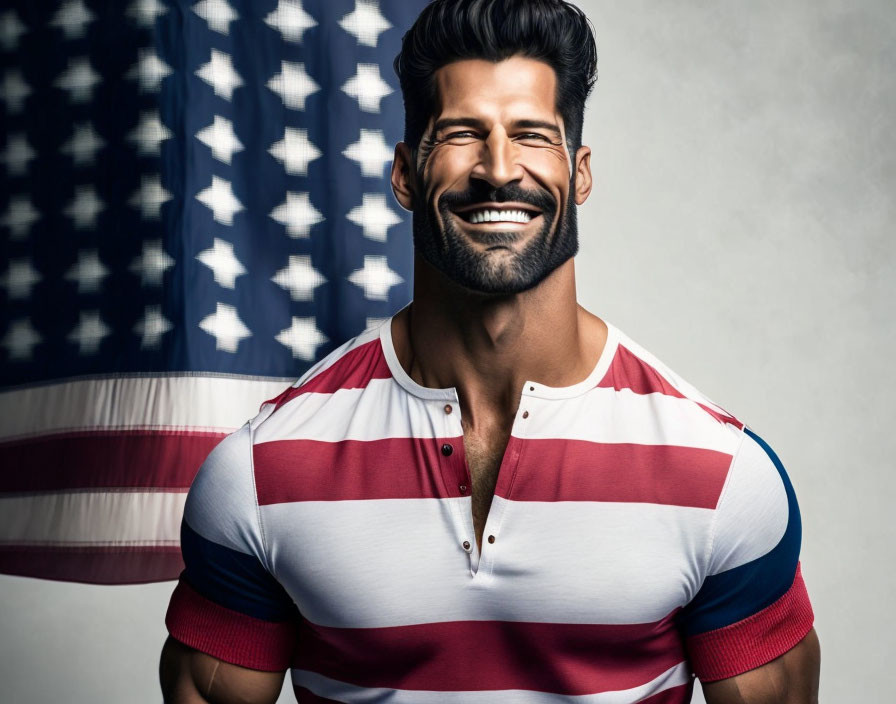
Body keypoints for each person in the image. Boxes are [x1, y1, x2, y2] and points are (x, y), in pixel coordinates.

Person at [160, 1, 821, 701]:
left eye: (532, 134)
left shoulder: (721, 478)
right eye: (462, 134)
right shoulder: (262, 473)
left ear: (581, 172)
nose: (498, 169)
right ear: (406, 174)